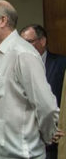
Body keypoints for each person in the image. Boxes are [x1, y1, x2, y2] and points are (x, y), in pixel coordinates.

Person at [0, 0, 64, 158]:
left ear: (3, 21)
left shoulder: (23, 54)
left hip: (17, 153)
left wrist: (47, 136)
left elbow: (46, 106)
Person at [20, 24, 66, 159]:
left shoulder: (61, 64)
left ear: (43, 41)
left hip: (55, 136)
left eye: (29, 42)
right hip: (27, 135)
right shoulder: (18, 65)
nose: (24, 46)